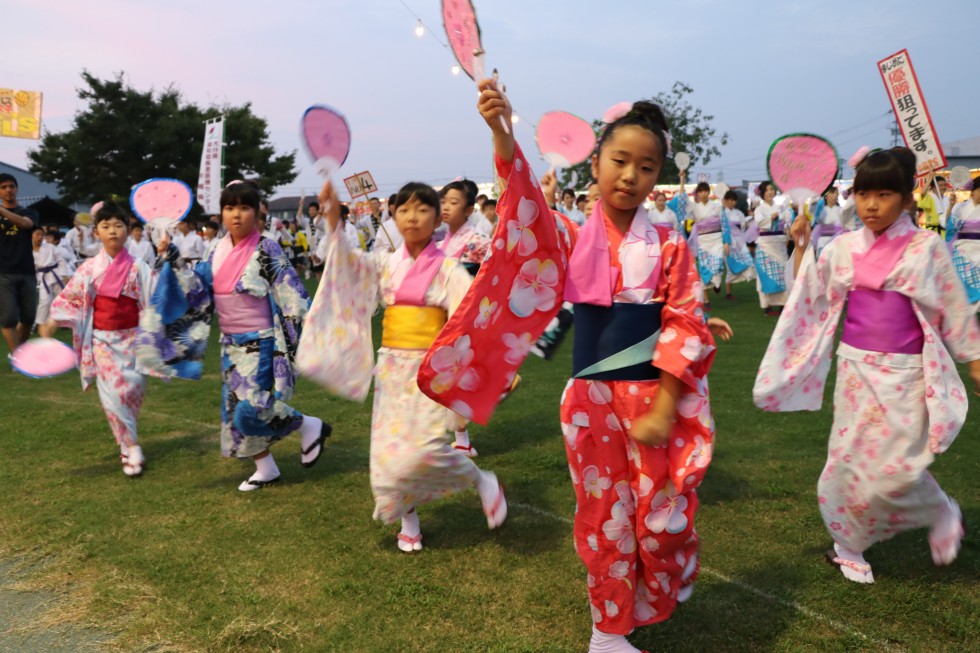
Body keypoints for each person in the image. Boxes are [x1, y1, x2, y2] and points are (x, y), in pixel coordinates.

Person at [468, 84, 718, 653]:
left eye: (646, 166)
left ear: (658, 177)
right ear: (597, 162)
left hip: (653, 397)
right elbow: (522, 208)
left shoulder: (669, 245)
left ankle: (658, 584)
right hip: (590, 402)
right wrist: (502, 133)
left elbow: (686, 323)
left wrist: (662, 404)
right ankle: (607, 632)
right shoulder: (570, 232)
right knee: (606, 514)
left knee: (661, 517)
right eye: (619, 161)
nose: (630, 175)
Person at [754, 147, 980, 585]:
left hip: (906, 375)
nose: (871, 205)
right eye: (862, 194)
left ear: (907, 198)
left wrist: (974, 358)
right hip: (856, 371)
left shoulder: (926, 247)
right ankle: (848, 544)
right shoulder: (841, 247)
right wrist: (801, 245)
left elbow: (954, 307)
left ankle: (940, 511)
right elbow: (810, 293)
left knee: (897, 469)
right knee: (846, 462)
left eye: (883, 194)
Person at [311, 179, 507, 553]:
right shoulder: (384, 263)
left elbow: (469, 316)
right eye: (403, 210)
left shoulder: (448, 269)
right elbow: (345, 266)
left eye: (422, 210)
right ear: (393, 216)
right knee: (389, 453)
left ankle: (481, 480)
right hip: (392, 369)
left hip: (430, 371)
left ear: (436, 219)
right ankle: (408, 520)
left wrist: (482, 367)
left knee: (424, 449)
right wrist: (334, 221)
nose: (412, 218)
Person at [137, 182, 331, 491]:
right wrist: (173, 257)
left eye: (244, 208)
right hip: (229, 344)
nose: (236, 215)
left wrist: (310, 328)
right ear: (221, 213)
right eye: (229, 208)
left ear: (257, 212)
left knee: (251, 407)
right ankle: (265, 467)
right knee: (234, 413)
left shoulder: (267, 247)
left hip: (261, 342)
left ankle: (308, 424)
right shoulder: (215, 248)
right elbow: (197, 288)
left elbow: (292, 294)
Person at [48, 202, 160, 477]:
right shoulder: (89, 268)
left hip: (133, 339)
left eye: (118, 225)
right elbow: (72, 297)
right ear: (96, 232)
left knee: (131, 392)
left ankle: (125, 440)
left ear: (127, 229)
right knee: (113, 395)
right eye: (106, 226)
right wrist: (53, 319)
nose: (113, 231)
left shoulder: (139, 268)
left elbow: (156, 297)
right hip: (103, 342)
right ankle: (132, 447)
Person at [0, 173, 40, 355]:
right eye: (3, 187)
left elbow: (25, 224)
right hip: (3, 272)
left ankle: (18, 352)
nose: (8, 190)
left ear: (16, 189)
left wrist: (1, 211)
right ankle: (18, 357)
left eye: (11, 186)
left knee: (29, 317)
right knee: (8, 317)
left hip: (26, 270)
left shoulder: (28, 211)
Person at [752, 181, 791, 315]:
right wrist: (772, 217)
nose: (770, 192)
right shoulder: (759, 209)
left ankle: (782, 304)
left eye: (772, 189)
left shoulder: (780, 207)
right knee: (764, 274)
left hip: (779, 243)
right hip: (765, 244)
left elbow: (787, 221)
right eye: (767, 190)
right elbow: (759, 222)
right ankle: (767, 306)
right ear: (762, 193)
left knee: (783, 273)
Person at [437, 180, 490, 276]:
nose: (445, 207)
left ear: (468, 210)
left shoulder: (481, 244)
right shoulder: (438, 246)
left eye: (453, 203)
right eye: (443, 202)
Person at [945, 178, 980, 309]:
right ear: (973, 192)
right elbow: (949, 224)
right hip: (963, 247)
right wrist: (951, 205)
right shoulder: (961, 207)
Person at [720, 189, 756, 298]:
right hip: (728, 241)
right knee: (730, 265)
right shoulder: (721, 213)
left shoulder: (739, 213)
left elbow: (743, 226)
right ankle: (728, 292)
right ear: (725, 200)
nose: (733, 202)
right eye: (730, 200)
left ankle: (754, 282)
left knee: (748, 261)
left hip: (740, 241)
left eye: (734, 200)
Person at [32, 227, 66, 337]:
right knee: (44, 302)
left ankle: (64, 322)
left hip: (56, 275)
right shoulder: (27, 251)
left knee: (61, 301)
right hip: (42, 278)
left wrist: (63, 275)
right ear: (31, 236)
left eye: (42, 235)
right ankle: (39, 324)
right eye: (37, 234)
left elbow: (61, 261)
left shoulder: (50, 247)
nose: (40, 237)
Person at [808, 186, 845, 256]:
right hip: (822, 242)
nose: (835, 195)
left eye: (836, 194)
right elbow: (813, 213)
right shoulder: (820, 210)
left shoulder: (841, 210)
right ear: (826, 196)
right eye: (832, 193)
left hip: (837, 242)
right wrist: (814, 201)